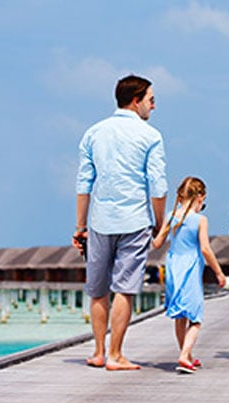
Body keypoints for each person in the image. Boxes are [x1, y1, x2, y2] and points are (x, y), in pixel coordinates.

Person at [72, 74, 167, 371]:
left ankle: (99, 352)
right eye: (151, 100)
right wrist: (159, 222)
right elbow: (158, 185)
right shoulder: (151, 136)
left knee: (98, 289)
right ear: (136, 100)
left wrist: (80, 226)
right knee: (124, 289)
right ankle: (116, 354)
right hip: (136, 220)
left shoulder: (93, 132)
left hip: (100, 221)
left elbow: (84, 182)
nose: (154, 106)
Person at [152, 176, 226, 374]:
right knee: (195, 317)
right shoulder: (200, 220)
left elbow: (157, 243)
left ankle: (187, 354)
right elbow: (205, 249)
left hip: (173, 266)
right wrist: (219, 273)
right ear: (200, 197)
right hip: (190, 267)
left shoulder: (171, 216)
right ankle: (184, 355)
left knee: (180, 316)